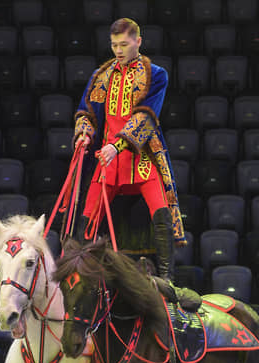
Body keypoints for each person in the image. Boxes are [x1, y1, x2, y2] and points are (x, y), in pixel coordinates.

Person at [71, 17, 186, 282]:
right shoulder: (101, 75)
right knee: (87, 216)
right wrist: (85, 133)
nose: (119, 50)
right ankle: (77, 276)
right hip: (108, 160)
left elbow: (146, 117)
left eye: (124, 44)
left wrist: (117, 144)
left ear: (138, 41)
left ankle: (167, 279)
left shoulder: (155, 74)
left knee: (162, 211)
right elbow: (86, 111)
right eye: (114, 45)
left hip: (142, 156)